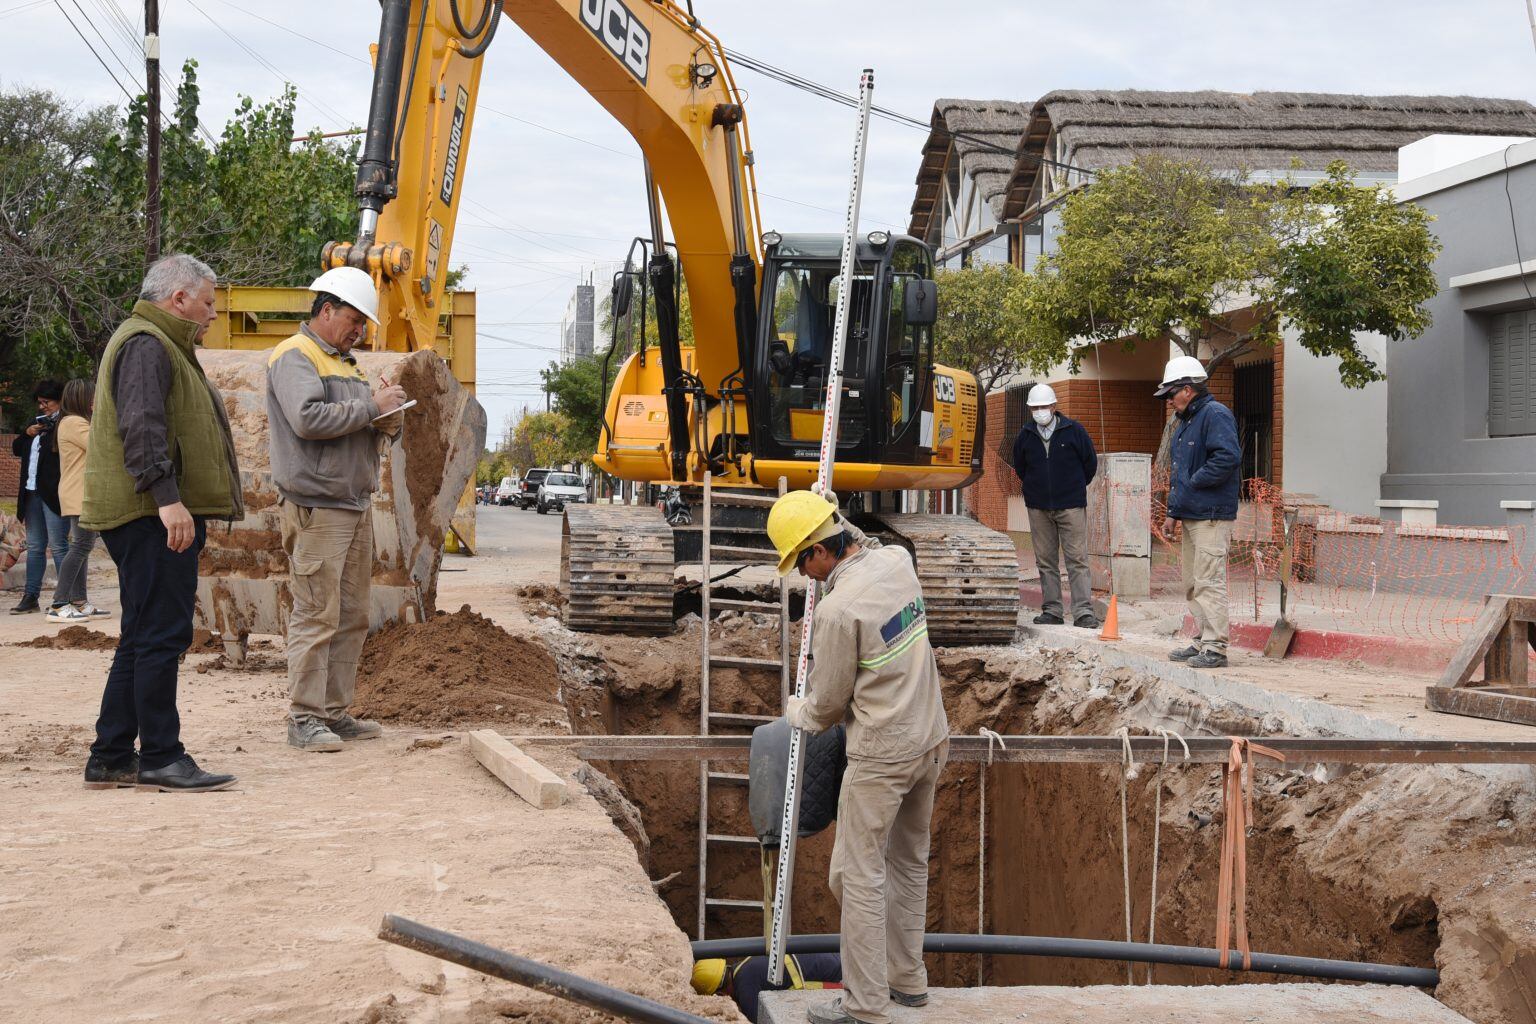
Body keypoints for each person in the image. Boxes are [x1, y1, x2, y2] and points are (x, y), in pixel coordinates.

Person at [767, 490, 950, 1024]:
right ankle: (907, 981)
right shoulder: (897, 562)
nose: (805, 575)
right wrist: (831, 514)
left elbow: (826, 707)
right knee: (910, 863)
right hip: (929, 737)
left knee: (855, 875)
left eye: (803, 562)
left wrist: (796, 710)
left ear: (820, 552)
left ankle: (866, 1005)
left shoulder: (837, 610)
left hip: (883, 755)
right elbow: (862, 543)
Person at [80, 253, 242, 793]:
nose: (213, 313)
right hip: (151, 514)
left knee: (140, 634)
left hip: (148, 512)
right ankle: (161, 756)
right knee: (161, 636)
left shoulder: (157, 341)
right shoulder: (148, 343)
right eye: (208, 302)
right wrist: (168, 499)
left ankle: (110, 755)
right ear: (179, 299)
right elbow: (143, 426)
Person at [266, 266, 407, 753]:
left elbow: (354, 423)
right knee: (315, 612)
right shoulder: (295, 356)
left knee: (350, 614)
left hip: (351, 503)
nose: (360, 331)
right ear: (325, 311)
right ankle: (304, 717)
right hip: (318, 504)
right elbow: (307, 419)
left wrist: (387, 419)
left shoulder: (345, 363)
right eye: (353, 319)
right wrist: (372, 408)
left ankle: (333, 711)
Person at [1155, 355, 1241, 669]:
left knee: (1209, 581)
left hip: (1212, 515)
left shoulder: (1215, 415)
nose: (1168, 401)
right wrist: (1173, 513)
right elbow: (1179, 476)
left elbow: (1226, 458)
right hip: (1191, 514)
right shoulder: (1184, 422)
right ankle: (1202, 641)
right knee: (1193, 582)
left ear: (1188, 389)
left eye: (1171, 394)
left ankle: (1216, 648)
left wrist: (1194, 483)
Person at [1011, 383, 1099, 629]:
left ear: (1053, 406)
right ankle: (1052, 610)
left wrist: (1073, 488)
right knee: (1045, 560)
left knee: (1077, 558)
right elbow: (1021, 467)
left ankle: (1083, 612)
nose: (1039, 411)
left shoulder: (1074, 431)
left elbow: (1089, 464)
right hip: (1038, 507)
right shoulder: (1025, 435)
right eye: (1034, 407)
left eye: (1043, 406)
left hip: (1071, 505)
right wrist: (1036, 489)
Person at [47, 379, 110, 622]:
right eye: (92, 397)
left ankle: (79, 601)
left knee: (83, 546)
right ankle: (59, 603)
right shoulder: (74, 422)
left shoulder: (74, 421)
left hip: (80, 493)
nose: (96, 401)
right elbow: (99, 446)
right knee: (81, 546)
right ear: (81, 399)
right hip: (78, 494)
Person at [9, 380, 67, 614]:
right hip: (31, 493)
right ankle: (30, 596)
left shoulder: (66, 423)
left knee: (59, 546)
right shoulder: (37, 424)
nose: (42, 407)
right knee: (35, 547)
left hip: (53, 494)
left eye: (47, 402)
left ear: (60, 400)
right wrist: (27, 433)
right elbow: (15, 449)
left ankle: (66, 597)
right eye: (40, 403)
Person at [692, 953, 843, 1022]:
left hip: (836, 978)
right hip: (833, 961)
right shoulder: (745, 966)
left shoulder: (745, 989)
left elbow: (761, 1020)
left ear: (720, 994)